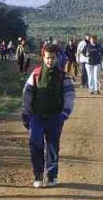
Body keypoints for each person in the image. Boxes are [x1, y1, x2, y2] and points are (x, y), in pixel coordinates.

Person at [22, 43, 75, 188]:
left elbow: (70, 96)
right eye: (47, 58)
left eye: (52, 58)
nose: (49, 61)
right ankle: (38, 175)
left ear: (57, 58)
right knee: (35, 144)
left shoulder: (63, 77)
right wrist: (26, 113)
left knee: (52, 147)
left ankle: (52, 176)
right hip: (36, 117)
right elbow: (27, 94)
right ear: (43, 57)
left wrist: (64, 114)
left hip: (55, 118)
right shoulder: (36, 73)